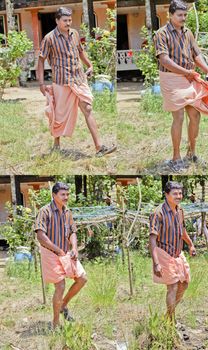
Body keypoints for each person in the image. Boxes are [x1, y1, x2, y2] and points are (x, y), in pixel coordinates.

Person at [154, 0, 208, 172]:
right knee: (179, 117)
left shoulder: (188, 33)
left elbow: (196, 54)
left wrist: (207, 69)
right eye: (180, 15)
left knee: (195, 115)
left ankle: (191, 153)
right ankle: (176, 157)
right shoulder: (161, 34)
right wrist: (186, 72)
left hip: (189, 77)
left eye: (185, 15)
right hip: (171, 78)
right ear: (170, 15)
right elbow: (164, 60)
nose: (183, 18)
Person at [37, 7, 116, 157]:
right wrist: (41, 83)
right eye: (65, 20)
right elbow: (40, 61)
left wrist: (90, 64)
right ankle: (56, 143)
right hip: (62, 81)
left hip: (79, 78)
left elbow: (80, 51)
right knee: (59, 114)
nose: (68, 23)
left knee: (87, 108)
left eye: (70, 20)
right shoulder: (49, 38)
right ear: (57, 21)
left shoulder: (74, 34)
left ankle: (99, 147)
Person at [35, 182, 87, 328]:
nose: (66, 197)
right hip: (50, 252)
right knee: (60, 285)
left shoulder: (67, 212)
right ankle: (56, 323)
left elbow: (72, 232)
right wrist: (57, 250)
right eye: (63, 194)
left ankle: (63, 304)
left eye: (67, 194)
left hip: (65, 252)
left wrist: (75, 248)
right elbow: (40, 236)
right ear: (54, 195)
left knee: (82, 278)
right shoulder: (45, 211)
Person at [149, 181, 196, 322]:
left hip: (177, 252)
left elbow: (182, 230)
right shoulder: (158, 213)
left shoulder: (180, 210)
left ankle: (168, 315)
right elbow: (152, 239)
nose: (178, 196)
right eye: (175, 193)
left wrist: (191, 245)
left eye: (180, 193)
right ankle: (171, 321)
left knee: (184, 283)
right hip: (163, 252)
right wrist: (156, 263)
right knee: (173, 287)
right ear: (166, 194)